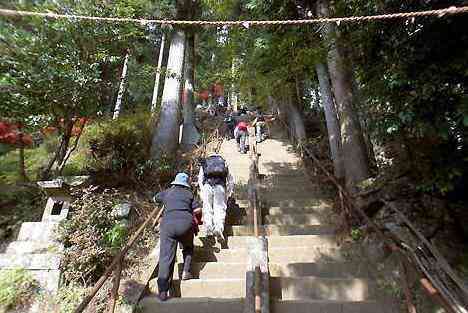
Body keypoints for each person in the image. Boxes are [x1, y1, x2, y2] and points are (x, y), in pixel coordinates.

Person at [153, 173, 201, 301]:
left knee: (166, 257)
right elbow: (197, 210)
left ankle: (163, 291)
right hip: (186, 224)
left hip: (168, 225)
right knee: (188, 247)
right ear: (186, 184)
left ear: (174, 183)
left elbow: (155, 198)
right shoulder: (189, 194)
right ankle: (186, 271)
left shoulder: (167, 192)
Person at [198, 154, 234, 243]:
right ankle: (218, 228)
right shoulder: (223, 161)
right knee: (219, 208)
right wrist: (228, 192)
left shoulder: (206, 161)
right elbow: (230, 179)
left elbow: (200, 178)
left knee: (207, 208)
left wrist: (202, 190)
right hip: (220, 187)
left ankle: (208, 228)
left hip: (207, 186)